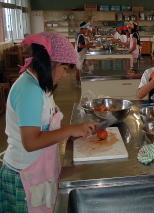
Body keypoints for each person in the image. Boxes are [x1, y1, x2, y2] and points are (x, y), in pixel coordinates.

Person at [0, 32, 96, 213]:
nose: (64, 75)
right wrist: (70, 131)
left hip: (39, 172)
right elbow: (31, 142)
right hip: (25, 177)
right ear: (51, 63)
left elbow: (49, 126)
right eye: (64, 69)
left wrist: (77, 129)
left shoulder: (41, 86)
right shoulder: (29, 90)